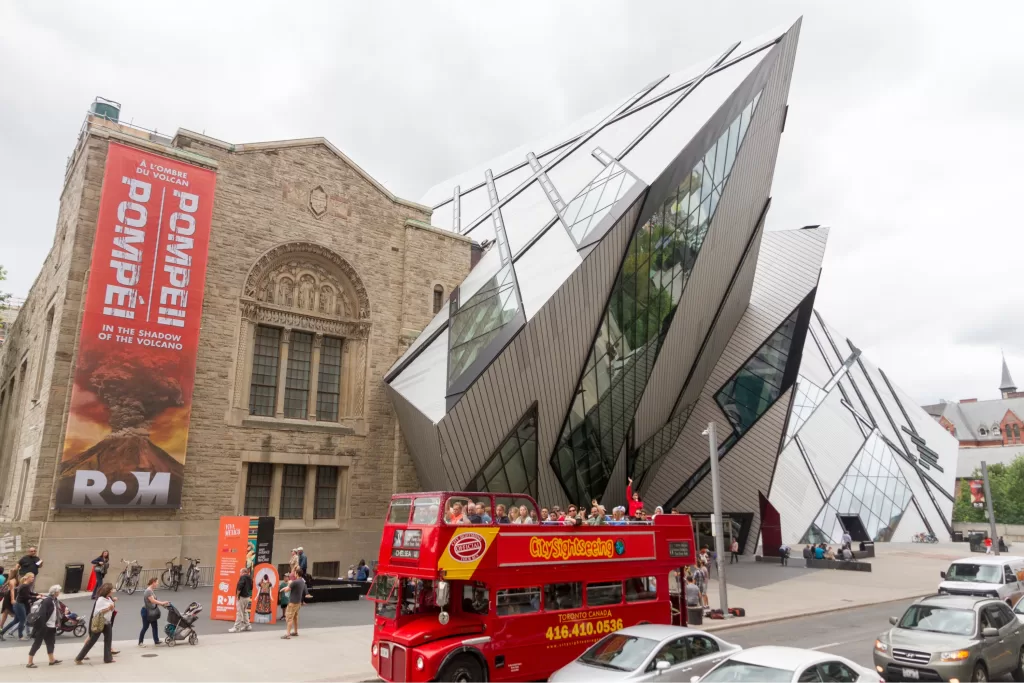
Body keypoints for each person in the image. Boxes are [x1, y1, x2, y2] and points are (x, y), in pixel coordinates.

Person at [75, 582, 116, 665]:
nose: (112, 591)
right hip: (100, 623)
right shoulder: (100, 600)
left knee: (108, 640)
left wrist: (113, 602)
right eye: (111, 589)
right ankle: (79, 658)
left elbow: (111, 606)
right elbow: (99, 612)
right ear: (107, 591)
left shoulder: (108, 598)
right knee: (92, 641)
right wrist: (109, 608)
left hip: (107, 622)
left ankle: (108, 658)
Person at [26, 584, 62, 668]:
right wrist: (42, 626)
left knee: (51, 643)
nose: (59, 592)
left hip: (51, 626)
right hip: (44, 626)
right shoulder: (48, 601)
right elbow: (42, 614)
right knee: (37, 644)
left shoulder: (54, 600)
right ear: (55, 592)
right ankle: (29, 662)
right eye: (58, 591)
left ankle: (51, 660)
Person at [1, 571, 39, 640]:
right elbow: (26, 596)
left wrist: (38, 595)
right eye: (32, 577)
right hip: (19, 605)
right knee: (23, 620)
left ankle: (1, 632)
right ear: (28, 578)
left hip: (18, 604)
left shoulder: (24, 585)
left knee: (16, 621)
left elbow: (30, 593)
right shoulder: (25, 586)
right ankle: (20, 636)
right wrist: (36, 597)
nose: (33, 578)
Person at [138, 577, 168, 647]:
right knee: (145, 627)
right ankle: (140, 642)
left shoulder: (151, 590)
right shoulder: (148, 591)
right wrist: (162, 603)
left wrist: (162, 604)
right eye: (157, 582)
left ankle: (156, 640)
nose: (157, 584)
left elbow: (153, 602)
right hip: (146, 611)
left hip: (151, 611)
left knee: (154, 626)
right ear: (153, 582)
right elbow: (152, 601)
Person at [281, 570, 309, 639]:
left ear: (297, 574)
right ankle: (296, 631)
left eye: (295, 573)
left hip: (292, 602)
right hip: (298, 602)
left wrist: (286, 587)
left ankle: (287, 634)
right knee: (295, 618)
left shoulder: (295, 582)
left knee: (289, 618)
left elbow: (287, 590)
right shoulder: (302, 581)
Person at [228, 567, 253, 633]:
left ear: (243, 572)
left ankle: (236, 627)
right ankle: (247, 625)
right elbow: (251, 587)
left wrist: (237, 595)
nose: (240, 574)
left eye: (240, 572)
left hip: (241, 597)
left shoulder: (242, 577)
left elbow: (239, 586)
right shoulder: (250, 578)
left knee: (239, 612)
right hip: (247, 597)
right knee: (245, 611)